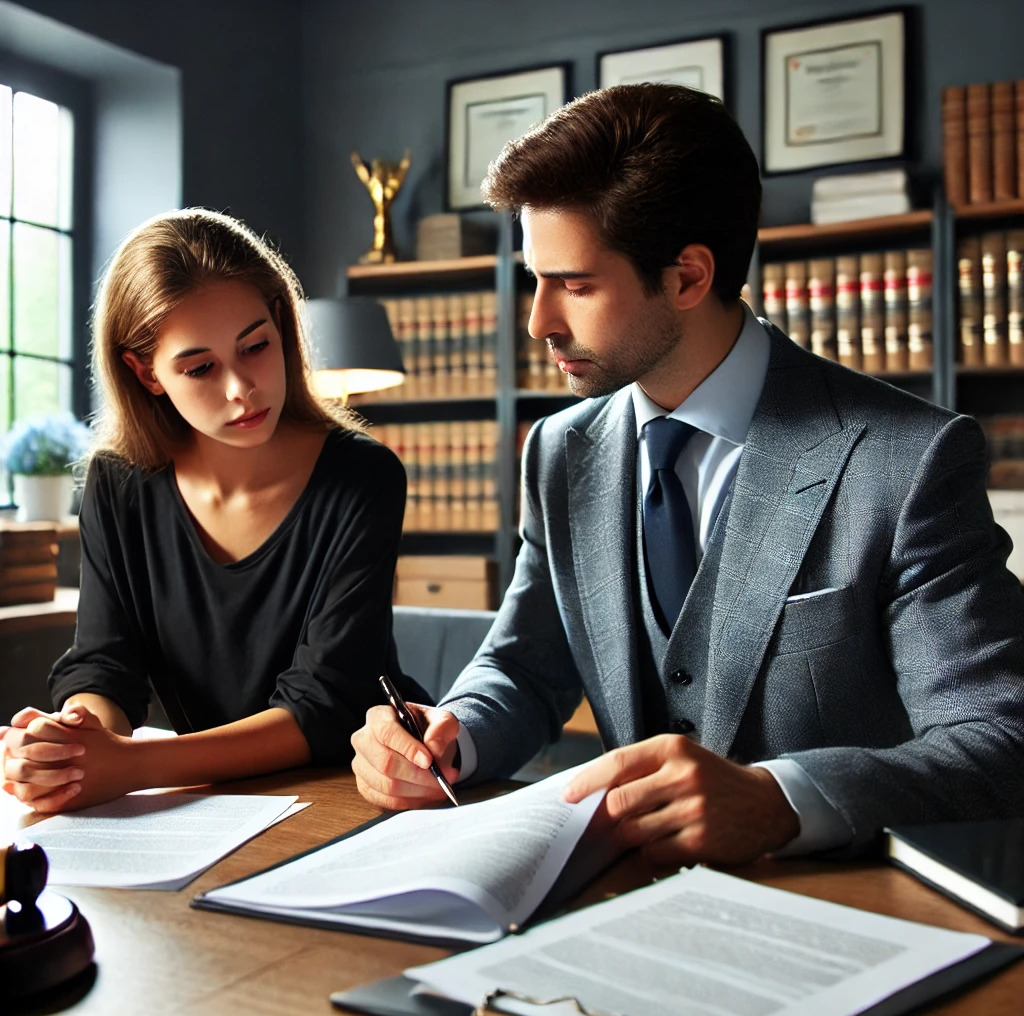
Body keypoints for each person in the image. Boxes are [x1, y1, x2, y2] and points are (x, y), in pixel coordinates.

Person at [350, 84, 1024, 864]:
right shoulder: (558, 450)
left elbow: (1000, 739)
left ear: (688, 277)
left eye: (574, 284)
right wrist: (448, 735)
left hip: (844, 909)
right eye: (535, 280)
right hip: (619, 904)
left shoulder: (907, 461)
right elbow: (526, 668)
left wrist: (782, 799)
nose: (538, 322)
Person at [1, 208, 427, 814]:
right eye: (200, 367)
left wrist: (129, 767)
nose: (240, 389)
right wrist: (75, 743)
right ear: (146, 373)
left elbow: (324, 705)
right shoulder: (118, 483)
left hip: (356, 796)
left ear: (282, 324)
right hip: (206, 805)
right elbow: (105, 664)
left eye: (255, 346)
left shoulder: (362, 477)